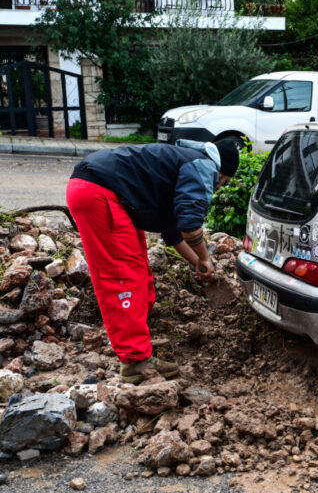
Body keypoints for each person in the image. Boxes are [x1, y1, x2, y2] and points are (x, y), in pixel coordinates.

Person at [66, 139, 240, 383]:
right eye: (224, 182)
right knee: (123, 275)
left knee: (137, 266)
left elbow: (173, 232)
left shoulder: (181, 162)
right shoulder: (203, 166)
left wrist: (199, 265)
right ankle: (135, 362)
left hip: (107, 194)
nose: (219, 187)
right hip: (100, 193)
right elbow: (190, 227)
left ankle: (140, 332)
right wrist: (205, 256)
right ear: (221, 172)